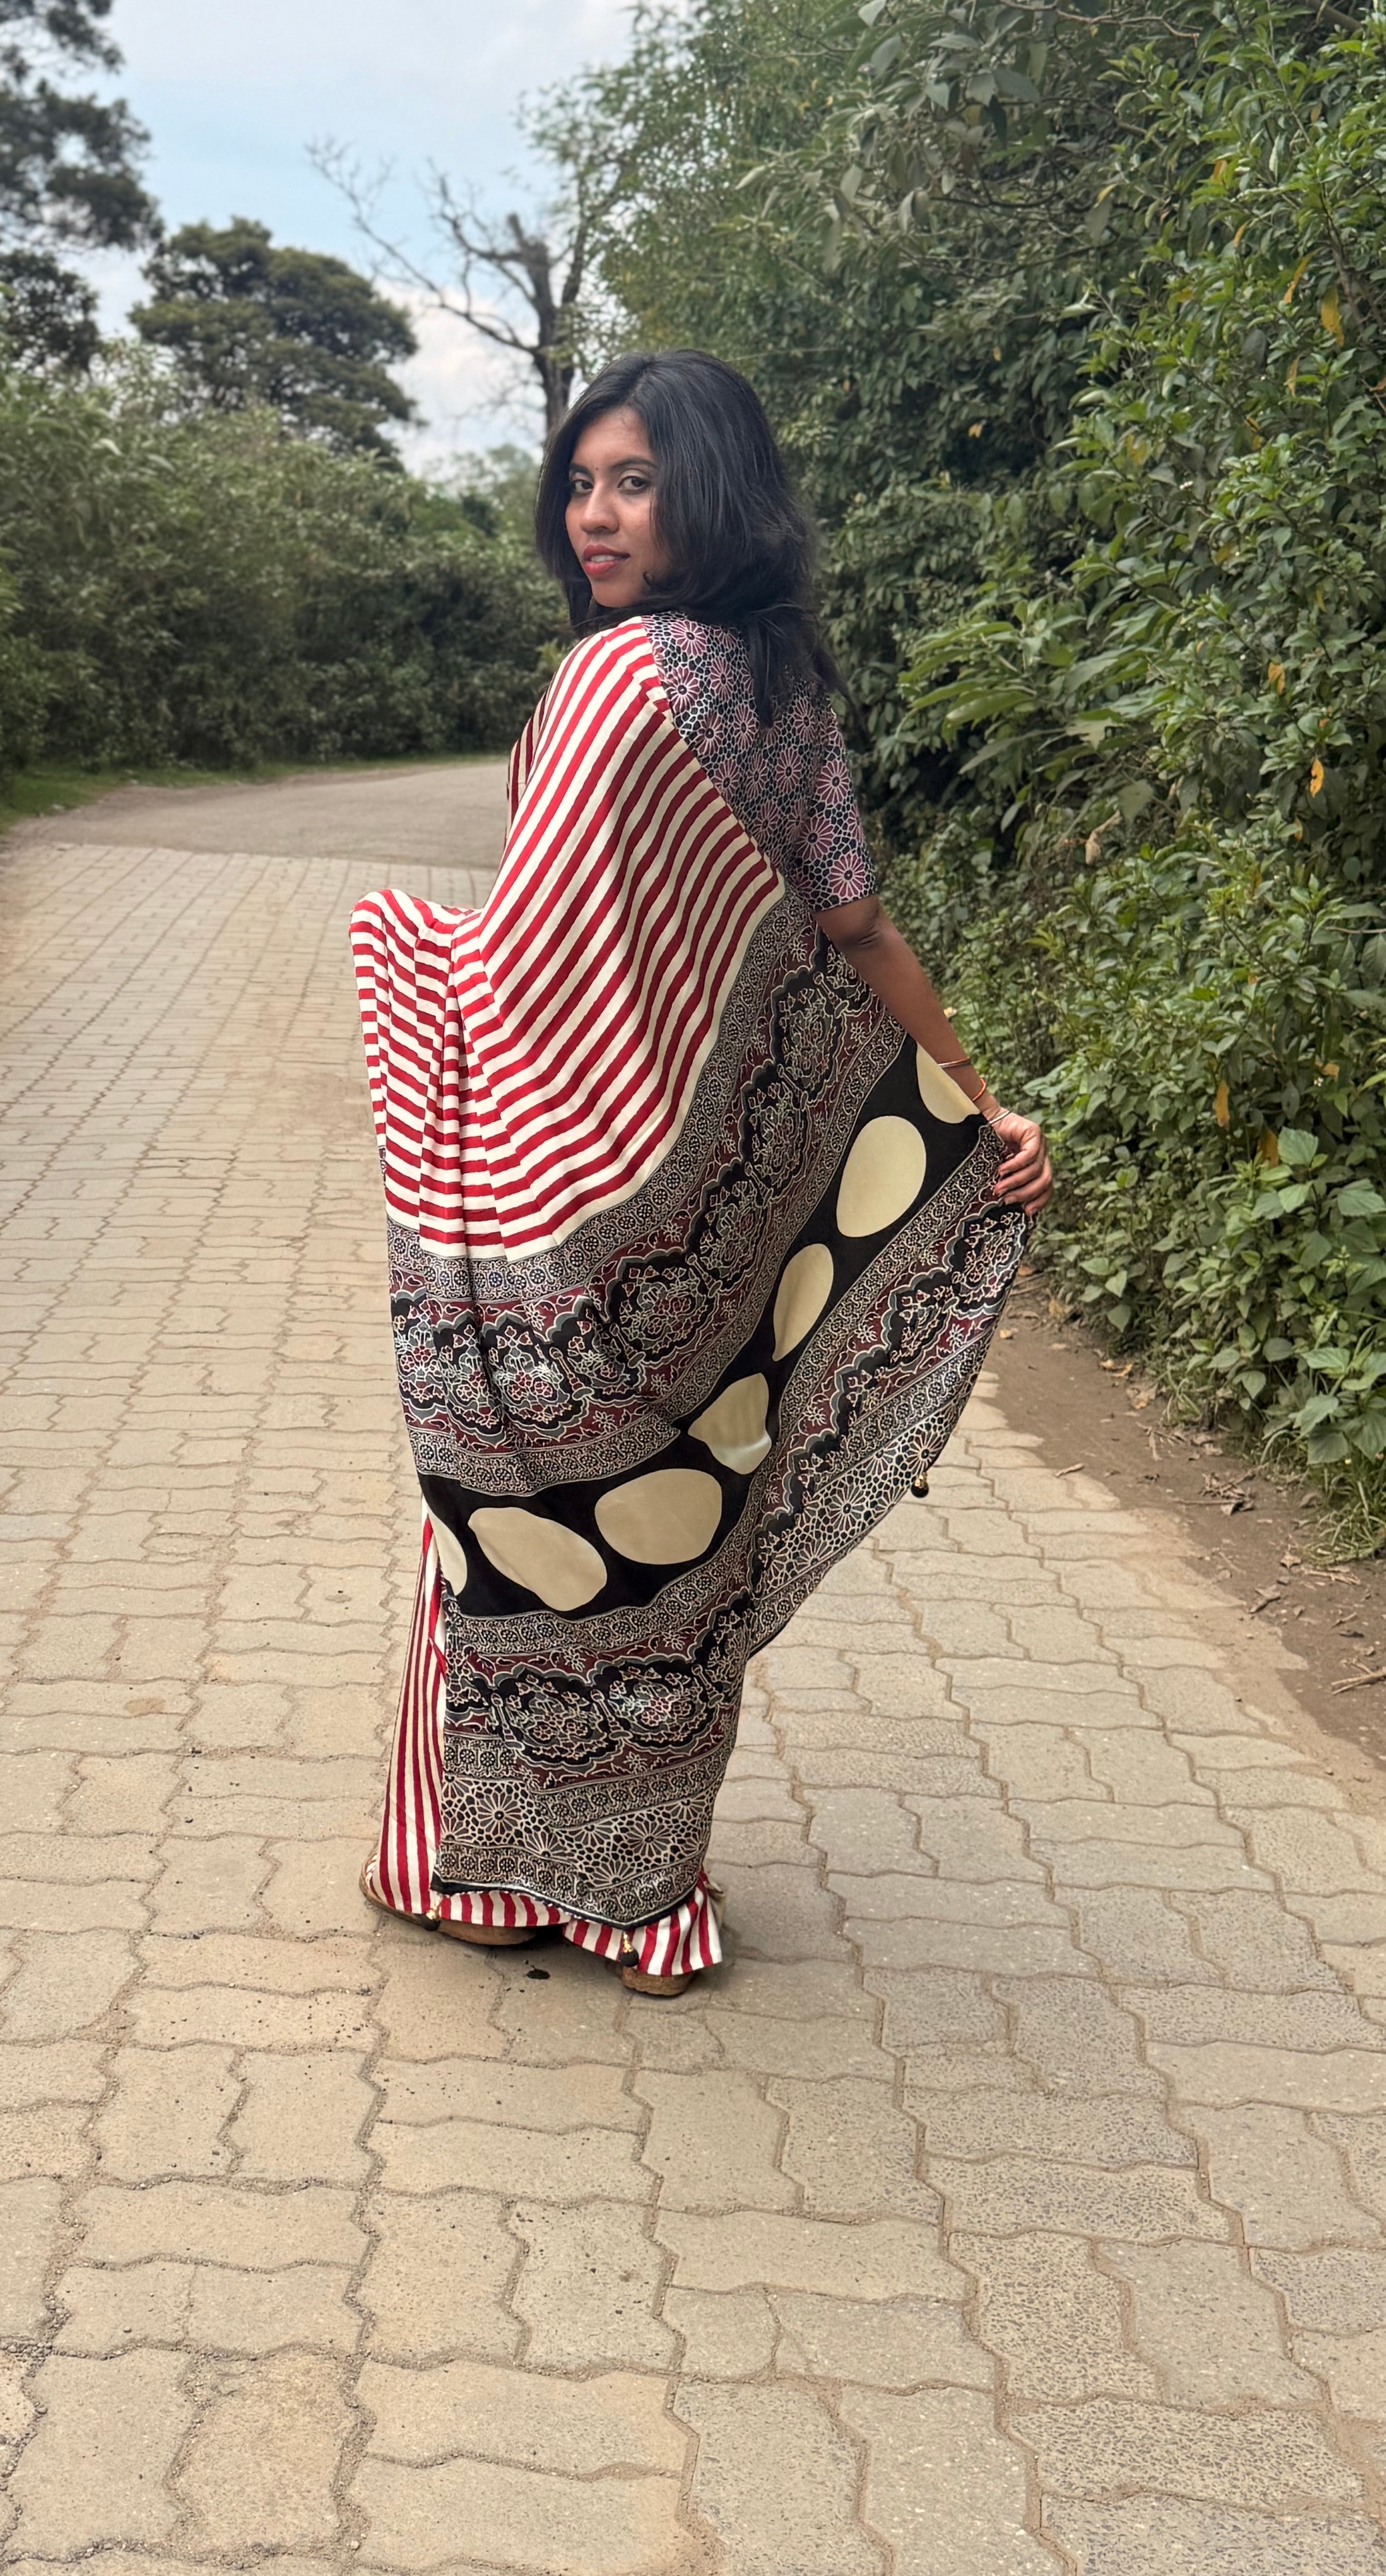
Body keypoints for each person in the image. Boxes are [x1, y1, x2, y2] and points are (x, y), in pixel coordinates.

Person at [350, 351, 1050, 1996]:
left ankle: (485, 1874)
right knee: (679, 1520)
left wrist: (405, 958)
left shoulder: (612, 678)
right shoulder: (778, 681)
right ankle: (642, 1891)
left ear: (708, 490)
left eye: (634, 482)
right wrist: (967, 1097)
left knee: (527, 1519)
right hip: (718, 1196)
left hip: (560, 1181)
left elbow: (522, 955)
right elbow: (848, 923)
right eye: (579, 482)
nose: (594, 515)